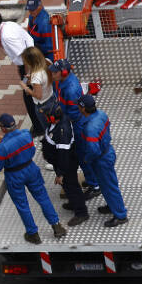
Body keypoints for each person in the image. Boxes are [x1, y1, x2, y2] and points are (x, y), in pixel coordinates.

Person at [0, 113, 66, 244]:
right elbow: (26, 148)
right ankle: (56, 226)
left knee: (22, 205)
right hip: (31, 169)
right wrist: (6, 139)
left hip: (14, 175)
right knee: (43, 198)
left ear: (2, 129)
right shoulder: (26, 134)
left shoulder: (2, 148)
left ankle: (33, 234)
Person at [49, 59, 101, 199]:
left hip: (77, 126)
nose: (52, 74)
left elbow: (73, 113)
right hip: (75, 123)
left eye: (54, 72)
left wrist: (63, 122)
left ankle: (94, 185)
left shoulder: (70, 89)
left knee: (83, 156)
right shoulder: (64, 81)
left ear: (64, 72)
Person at [0, 9, 38, 137]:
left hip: (29, 64)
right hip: (30, 60)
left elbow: (25, 56)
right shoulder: (8, 26)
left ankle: (39, 127)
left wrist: (27, 75)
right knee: (31, 96)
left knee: (29, 97)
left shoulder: (6, 36)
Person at [77, 94, 129, 227]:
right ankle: (112, 206)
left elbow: (94, 150)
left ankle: (121, 215)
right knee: (106, 185)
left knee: (110, 186)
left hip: (101, 160)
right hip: (107, 152)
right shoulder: (101, 114)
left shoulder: (90, 128)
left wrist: (86, 159)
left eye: (79, 105)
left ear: (83, 109)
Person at [39, 101, 89, 227]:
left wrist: (60, 174)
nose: (44, 117)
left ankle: (81, 213)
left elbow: (63, 155)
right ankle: (74, 203)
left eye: (46, 115)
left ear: (52, 117)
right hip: (60, 163)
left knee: (72, 187)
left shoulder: (62, 132)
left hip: (66, 165)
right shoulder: (57, 124)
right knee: (67, 186)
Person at [20, 46, 52, 135]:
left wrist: (25, 88)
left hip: (42, 105)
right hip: (51, 97)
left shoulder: (36, 76)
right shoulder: (47, 62)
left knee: (47, 128)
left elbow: (38, 95)